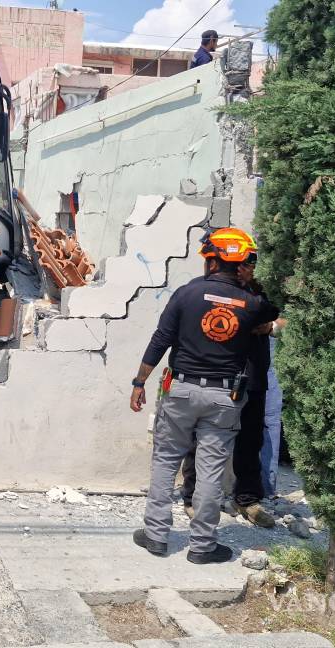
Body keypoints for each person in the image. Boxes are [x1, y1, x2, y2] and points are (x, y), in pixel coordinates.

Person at [129, 227, 279, 564]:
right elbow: (276, 309)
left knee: (166, 460)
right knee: (211, 470)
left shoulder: (186, 293)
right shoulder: (251, 304)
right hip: (224, 397)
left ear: (211, 262)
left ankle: (155, 537)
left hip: (180, 389)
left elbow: (160, 340)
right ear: (240, 264)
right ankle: (202, 547)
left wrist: (139, 382)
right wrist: (250, 282)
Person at [179, 256, 283, 528]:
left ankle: (247, 498)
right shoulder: (212, 289)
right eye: (240, 264)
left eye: (249, 265)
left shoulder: (261, 293)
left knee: (250, 440)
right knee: (201, 437)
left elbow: (281, 313)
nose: (244, 270)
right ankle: (191, 497)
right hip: (218, 375)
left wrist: (271, 324)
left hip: (253, 374)